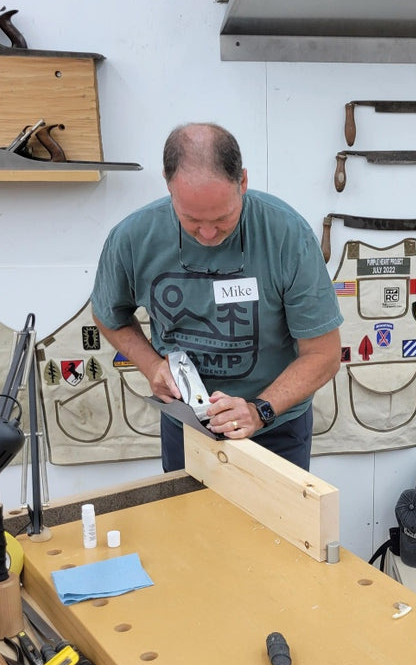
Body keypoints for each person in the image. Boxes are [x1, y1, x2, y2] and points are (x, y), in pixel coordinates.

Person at [91, 122, 342, 471]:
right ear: (168, 183)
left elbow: (323, 355)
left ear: (242, 181)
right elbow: (108, 314)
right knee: (192, 525)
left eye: (223, 218)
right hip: (187, 424)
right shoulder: (133, 238)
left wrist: (259, 410)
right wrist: (152, 366)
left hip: (276, 426)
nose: (208, 233)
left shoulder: (287, 235)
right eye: (191, 220)